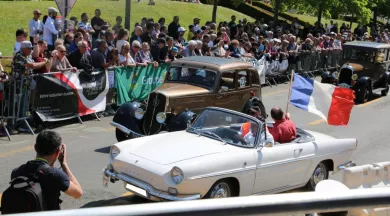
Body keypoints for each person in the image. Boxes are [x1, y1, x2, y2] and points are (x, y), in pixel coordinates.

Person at [10, 130, 83, 211]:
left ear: (35, 147)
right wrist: (64, 164)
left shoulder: (16, 172)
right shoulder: (55, 175)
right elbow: (78, 193)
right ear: (58, 151)